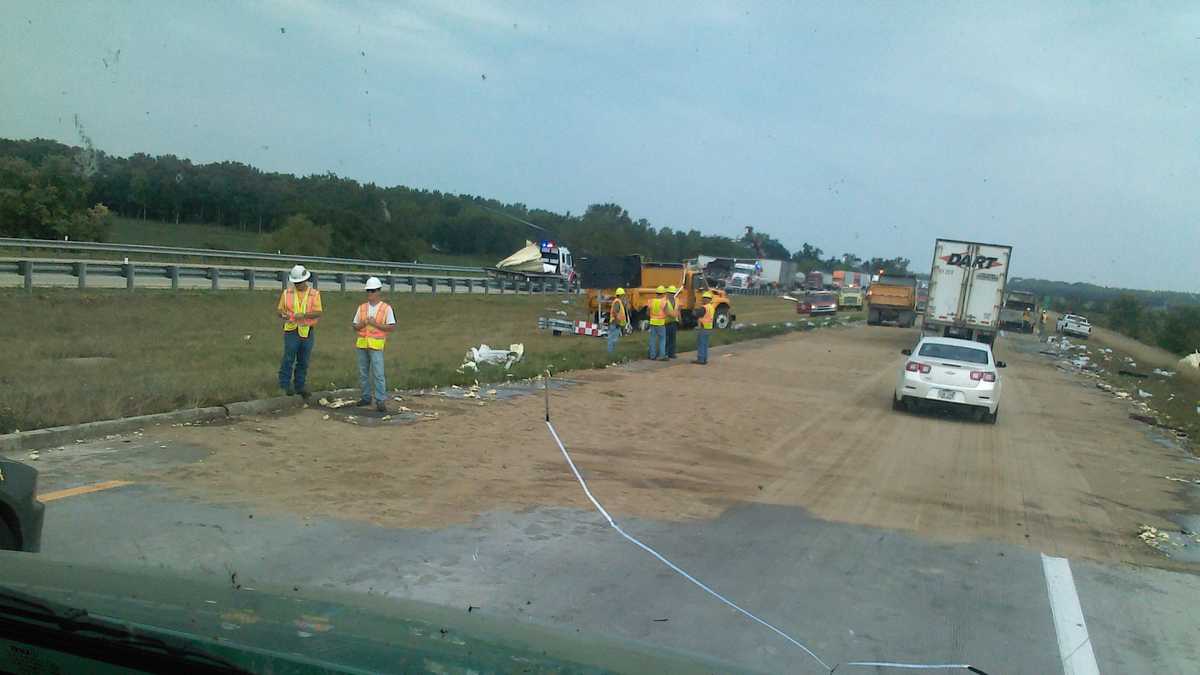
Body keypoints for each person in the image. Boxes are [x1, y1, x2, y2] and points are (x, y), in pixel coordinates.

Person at [277, 264, 322, 400]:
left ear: (305, 280)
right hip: (291, 329)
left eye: (299, 282)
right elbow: (280, 310)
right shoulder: (287, 293)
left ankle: (299, 386)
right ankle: (284, 385)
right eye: (295, 283)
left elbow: (318, 312)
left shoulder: (314, 294)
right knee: (289, 358)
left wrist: (304, 315)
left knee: (303, 360)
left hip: (307, 330)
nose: (297, 285)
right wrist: (283, 314)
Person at [352, 277, 397, 412]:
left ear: (378, 292)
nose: (370, 294)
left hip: (376, 345)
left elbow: (391, 327)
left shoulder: (386, 308)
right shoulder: (362, 308)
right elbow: (355, 326)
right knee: (363, 373)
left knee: (378, 373)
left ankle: (380, 400)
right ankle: (366, 397)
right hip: (362, 344)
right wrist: (363, 323)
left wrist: (375, 324)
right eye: (368, 291)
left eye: (372, 291)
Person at [693, 291, 715, 365]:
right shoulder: (711, 307)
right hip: (709, 327)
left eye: (703, 298)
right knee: (705, 344)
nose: (703, 300)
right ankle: (704, 359)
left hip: (703, 327)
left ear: (706, 299)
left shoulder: (704, 307)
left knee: (701, 344)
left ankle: (701, 359)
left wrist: (694, 311)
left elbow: (697, 314)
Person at [647, 285, 669, 361]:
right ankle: (662, 355)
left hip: (652, 322)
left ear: (657, 293)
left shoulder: (651, 301)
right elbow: (666, 312)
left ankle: (652, 355)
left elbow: (647, 312)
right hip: (660, 323)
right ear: (663, 294)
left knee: (652, 339)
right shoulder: (664, 302)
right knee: (662, 339)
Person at [607, 287, 629, 355]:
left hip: (616, 323)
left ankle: (611, 353)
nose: (624, 297)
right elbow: (615, 312)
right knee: (612, 339)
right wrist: (617, 321)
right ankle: (610, 353)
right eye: (623, 295)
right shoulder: (617, 302)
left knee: (614, 339)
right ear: (621, 295)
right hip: (615, 323)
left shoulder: (619, 302)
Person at [665, 285, 680, 359]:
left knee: (673, 339)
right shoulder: (665, 301)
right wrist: (674, 315)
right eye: (670, 293)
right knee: (666, 339)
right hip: (666, 322)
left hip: (674, 322)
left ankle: (672, 353)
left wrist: (680, 318)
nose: (672, 294)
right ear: (667, 293)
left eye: (673, 293)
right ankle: (666, 353)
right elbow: (666, 312)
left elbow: (678, 310)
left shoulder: (677, 300)